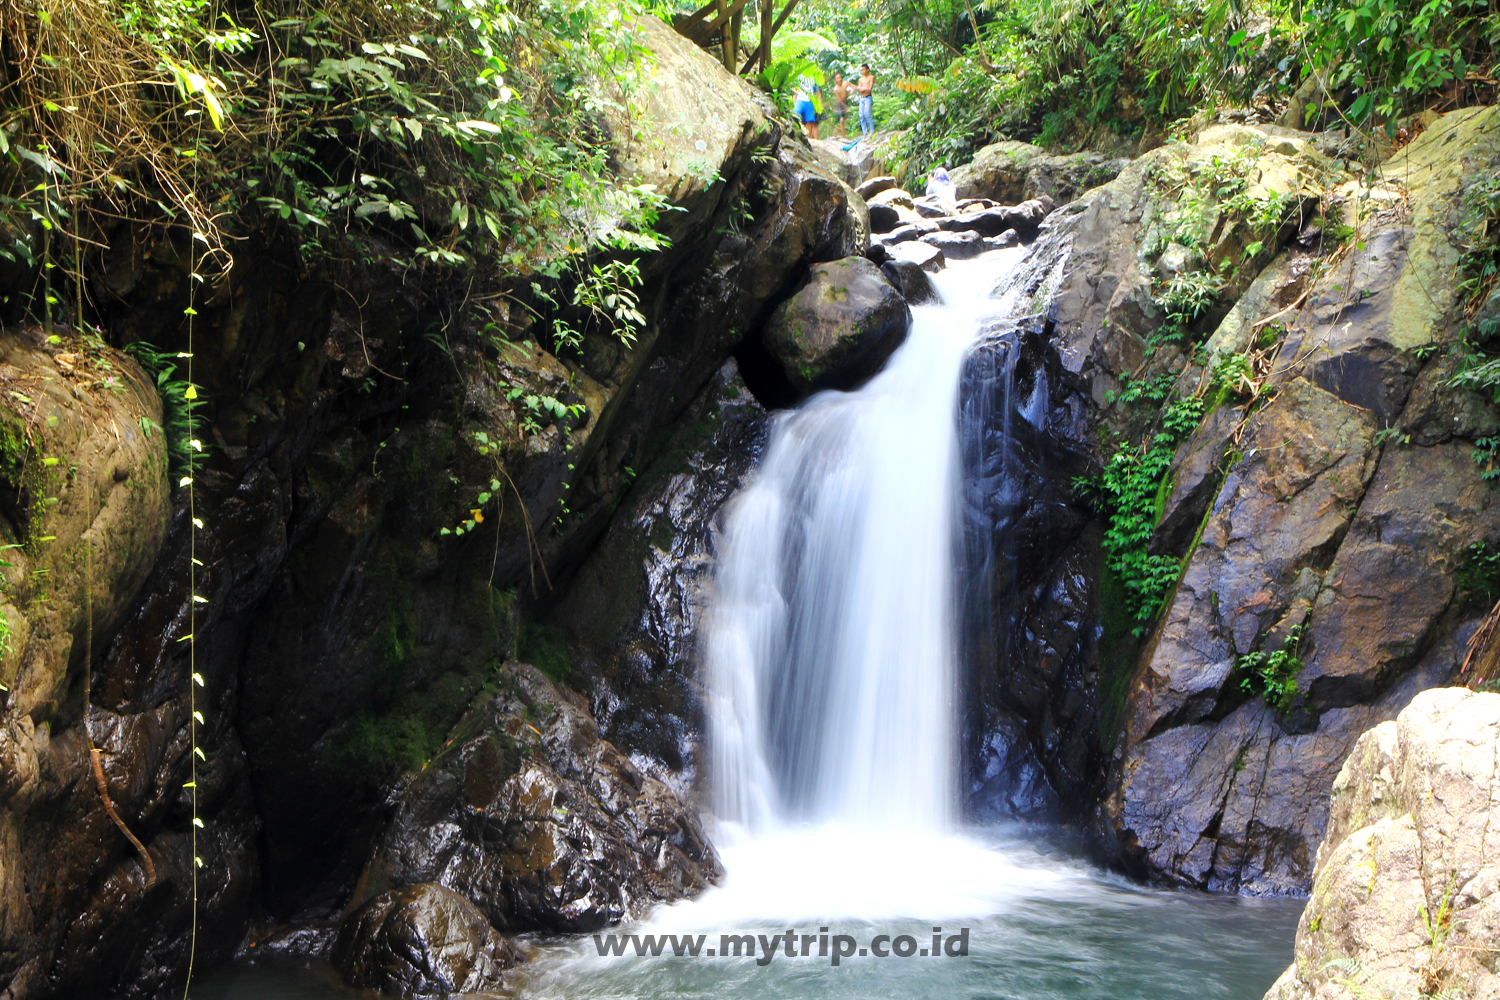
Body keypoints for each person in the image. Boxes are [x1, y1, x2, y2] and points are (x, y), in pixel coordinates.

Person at [792, 73, 820, 140]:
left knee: (810, 120)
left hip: (810, 101)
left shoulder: (813, 79)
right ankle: (796, 135)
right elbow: (794, 89)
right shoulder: (799, 76)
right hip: (800, 100)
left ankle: (807, 138)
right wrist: (794, 101)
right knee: (795, 117)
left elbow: (817, 92)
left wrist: (817, 104)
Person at [856, 63, 875, 137]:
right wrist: (861, 89)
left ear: (867, 70)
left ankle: (872, 131)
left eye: (864, 69)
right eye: (862, 70)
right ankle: (865, 133)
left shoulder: (871, 77)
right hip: (862, 98)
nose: (863, 71)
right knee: (861, 115)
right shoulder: (860, 79)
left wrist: (863, 89)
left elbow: (869, 89)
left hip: (868, 98)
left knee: (867, 114)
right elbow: (859, 89)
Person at [831, 71, 851, 139]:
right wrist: (845, 107)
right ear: (835, 80)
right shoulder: (835, 89)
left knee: (848, 119)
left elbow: (853, 87)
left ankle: (845, 133)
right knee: (841, 120)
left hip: (846, 101)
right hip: (839, 104)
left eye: (840, 77)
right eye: (837, 78)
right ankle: (845, 136)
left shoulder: (845, 84)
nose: (839, 79)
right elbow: (839, 100)